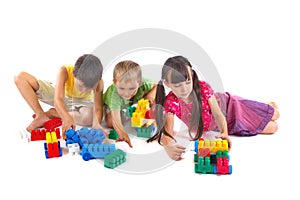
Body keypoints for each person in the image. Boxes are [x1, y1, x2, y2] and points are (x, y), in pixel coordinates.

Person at [147, 55, 280, 161]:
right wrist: (168, 147)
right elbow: (167, 133)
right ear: (167, 84)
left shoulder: (202, 87)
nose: (185, 89)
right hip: (225, 124)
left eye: (188, 82)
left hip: (229, 106)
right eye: (178, 86)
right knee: (273, 128)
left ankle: (266, 106)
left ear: (192, 75)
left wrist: (225, 132)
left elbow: (217, 113)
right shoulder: (171, 102)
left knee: (275, 114)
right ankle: (264, 109)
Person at [14, 54, 106, 138]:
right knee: (20, 77)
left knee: (88, 117)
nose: (84, 90)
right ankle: (40, 114)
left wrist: (96, 124)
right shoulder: (64, 71)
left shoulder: (99, 82)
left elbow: (98, 108)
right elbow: (58, 99)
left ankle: (53, 113)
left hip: (82, 104)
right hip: (63, 97)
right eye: (81, 85)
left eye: (89, 87)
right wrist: (66, 117)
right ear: (74, 74)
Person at [103, 60, 157, 147]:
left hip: (131, 102)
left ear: (139, 83)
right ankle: (126, 113)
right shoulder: (114, 94)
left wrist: (150, 96)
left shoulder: (144, 83)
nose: (127, 93)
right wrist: (123, 133)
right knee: (109, 121)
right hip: (112, 105)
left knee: (154, 99)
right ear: (115, 83)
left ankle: (135, 110)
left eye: (132, 88)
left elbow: (156, 86)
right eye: (122, 88)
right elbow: (116, 120)